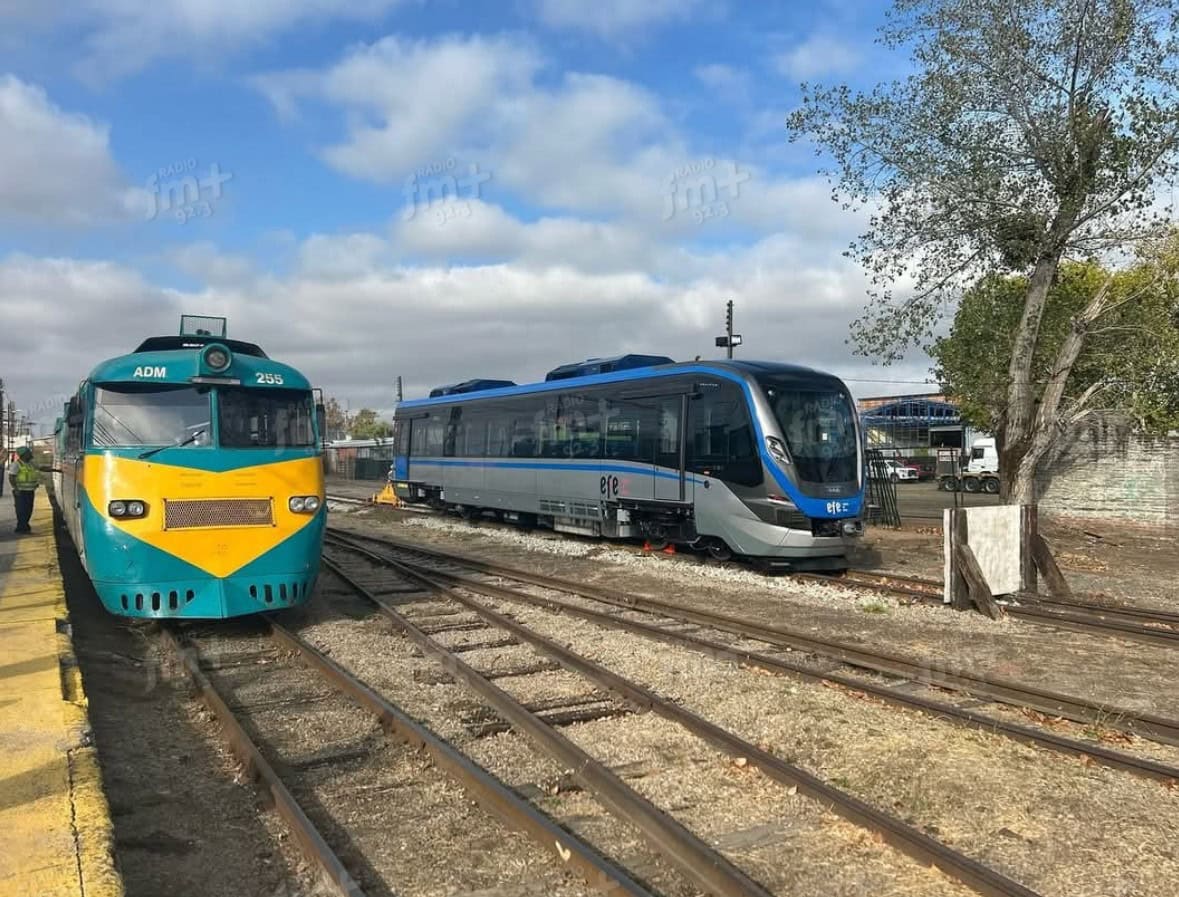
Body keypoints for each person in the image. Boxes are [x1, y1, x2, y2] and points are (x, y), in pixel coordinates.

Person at [9, 446, 41, 534]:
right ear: (24, 455)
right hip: (20, 491)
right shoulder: (16, 464)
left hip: (30, 490)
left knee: (28, 509)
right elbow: (11, 477)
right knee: (21, 509)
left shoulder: (31, 463)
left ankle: (24, 525)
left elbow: (40, 468)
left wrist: (57, 470)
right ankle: (21, 527)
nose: (31, 454)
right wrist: (16, 489)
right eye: (28, 452)